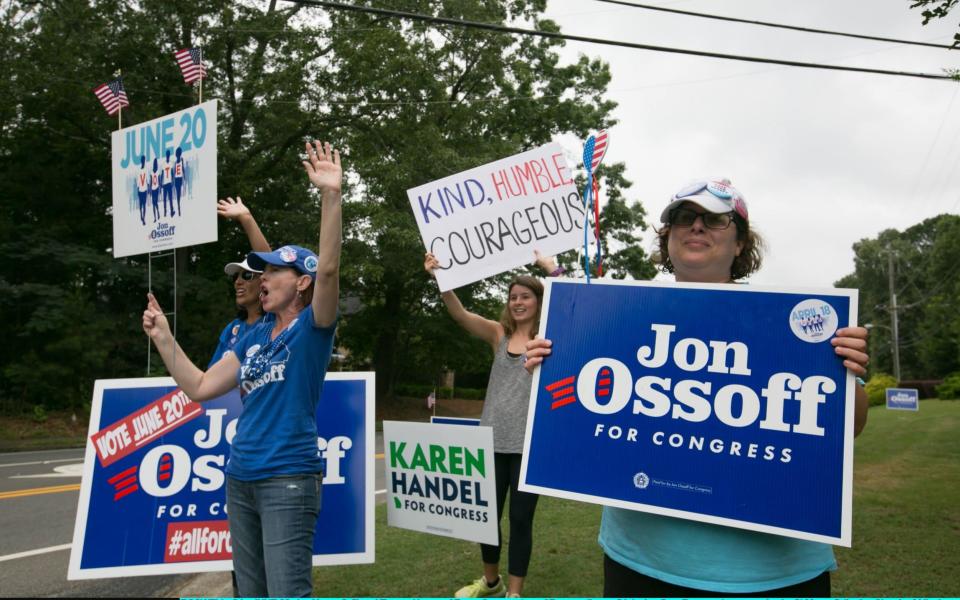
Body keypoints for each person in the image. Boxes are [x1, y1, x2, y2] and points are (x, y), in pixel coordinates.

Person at [524, 178, 870, 598]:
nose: (697, 227)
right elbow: (575, 407)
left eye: (715, 220)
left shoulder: (786, 326)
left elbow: (847, 427)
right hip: (640, 560)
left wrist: (845, 371)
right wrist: (552, 365)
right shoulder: (620, 319)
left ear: (741, 243)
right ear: (667, 238)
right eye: (685, 218)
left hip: (771, 572)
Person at [142, 140, 342, 598]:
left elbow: (329, 270)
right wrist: (164, 338)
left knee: (287, 594)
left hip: (288, 479)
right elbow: (200, 386)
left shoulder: (313, 328)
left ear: (302, 284)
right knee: (249, 594)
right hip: (241, 478)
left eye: (272, 272)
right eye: (260, 273)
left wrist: (331, 196)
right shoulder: (252, 336)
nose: (261, 279)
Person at [424, 251, 555, 599]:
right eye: (513, 297)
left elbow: (577, 304)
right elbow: (460, 314)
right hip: (491, 442)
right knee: (485, 517)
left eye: (525, 296)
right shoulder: (498, 334)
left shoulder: (551, 337)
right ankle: (491, 582)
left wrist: (552, 268)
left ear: (539, 301)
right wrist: (441, 278)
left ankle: (514, 592)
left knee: (521, 520)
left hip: (528, 446)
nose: (517, 302)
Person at [209, 196, 272, 368]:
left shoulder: (276, 320)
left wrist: (246, 219)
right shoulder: (232, 329)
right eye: (235, 277)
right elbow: (209, 380)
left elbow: (269, 263)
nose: (237, 282)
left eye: (246, 276)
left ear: (265, 281)